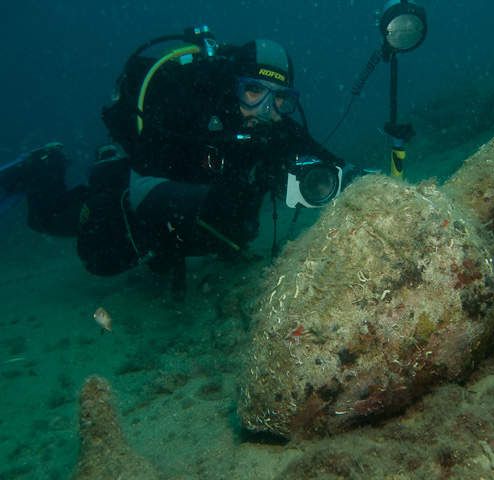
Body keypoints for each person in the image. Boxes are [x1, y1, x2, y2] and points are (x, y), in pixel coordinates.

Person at [0, 30, 347, 300]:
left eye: (280, 97)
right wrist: (212, 200)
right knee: (76, 239)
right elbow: (142, 189)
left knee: (231, 230)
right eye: (253, 91)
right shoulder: (187, 107)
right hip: (136, 187)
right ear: (233, 86)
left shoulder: (276, 125)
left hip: (189, 219)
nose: (266, 110)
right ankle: (45, 163)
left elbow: (339, 169)